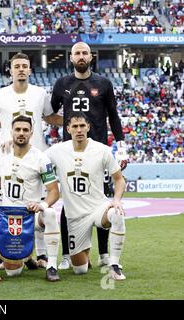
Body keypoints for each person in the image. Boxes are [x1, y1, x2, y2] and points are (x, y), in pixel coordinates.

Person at [51, 41, 127, 270]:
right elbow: (49, 112)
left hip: (98, 150)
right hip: (69, 151)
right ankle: (67, 254)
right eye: (77, 53)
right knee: (69, 201)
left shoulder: (103, 83)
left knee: (102, 199)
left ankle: (104, 253)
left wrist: (121, 147)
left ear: (90, 57)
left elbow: (113, 115)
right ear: (71, 57)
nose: (81, 56)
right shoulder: (62, 83)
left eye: (85, 53)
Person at [0, 52, 62, 268]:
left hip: (36, 154)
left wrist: (81, 118)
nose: (20, 69)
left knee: (37, 203)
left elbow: (49, 118)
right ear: (10, 69)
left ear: (29, 70)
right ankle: (9, 250)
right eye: (16, 66)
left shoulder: (40, 93)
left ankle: (42, 254)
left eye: (24, 66)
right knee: (8, 201)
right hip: (9, 156)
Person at [45, 112, 127, 280]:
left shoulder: (102, 150)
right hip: (75, 217)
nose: (79, 130)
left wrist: (116, 200)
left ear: (88, 127)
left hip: (98, 208)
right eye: (75, 126)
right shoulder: (56, 151)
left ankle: (114, 265)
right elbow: (36, 160)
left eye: (82, 125)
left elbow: (119, 180)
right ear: (68, 129)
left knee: (117, 213)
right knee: (80, 269)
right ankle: (84, 254)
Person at [0, 115, 61, 282]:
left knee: (49, 213)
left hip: (30, 215)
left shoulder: (41, 158)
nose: (21, 133)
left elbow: (54, 191)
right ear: (11, 132)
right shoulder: (0, 153)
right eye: (18, 129)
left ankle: (51, 266)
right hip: (9, 218)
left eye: (25, 130)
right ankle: (26, 258)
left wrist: (41, 204)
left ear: (31, 133)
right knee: (13, 273)